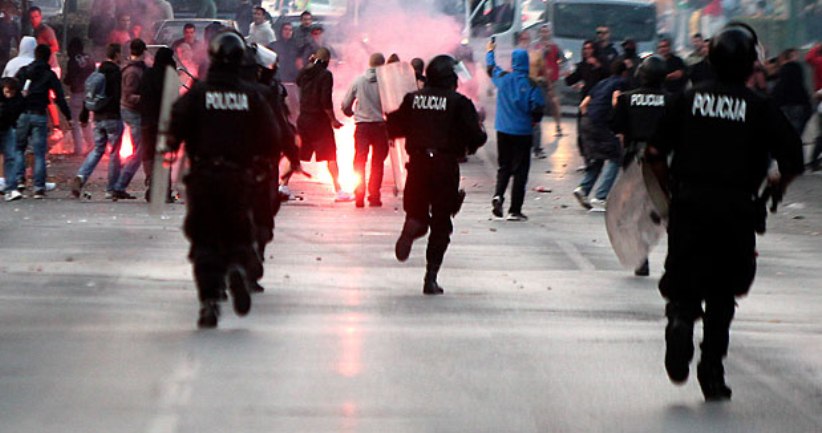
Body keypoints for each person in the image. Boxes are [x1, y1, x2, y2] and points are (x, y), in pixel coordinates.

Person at [647, 24, 804, 401]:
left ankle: (680, 323)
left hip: (688, 207)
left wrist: (668, 194)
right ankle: (712, 370)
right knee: (722, 293)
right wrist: (775, 186)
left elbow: (653, 156)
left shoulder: (685, 100)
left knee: (684, 282)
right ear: (751, 64)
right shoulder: (759, 107)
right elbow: (793, 159)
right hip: (736, 212)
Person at [167, 31, 279, 328]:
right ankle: (236, 270)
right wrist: (261, 164)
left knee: (204, 239)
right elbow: (271, 136)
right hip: (238, 178)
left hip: (203, 177)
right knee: (238, 232)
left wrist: (169, 148)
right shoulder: (252, 96)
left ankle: (209, 302)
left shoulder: (198, 94)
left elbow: (174, 126)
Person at [387, 54, 487, 295]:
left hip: (418, 164)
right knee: (442, 223)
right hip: (444, 165)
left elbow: (394, 126)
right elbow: (476, 137)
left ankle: (412, 225)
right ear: (450, 78)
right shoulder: (459, 102)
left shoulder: (413, 99)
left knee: (417, 214)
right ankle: (430, 278)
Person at [609, 55, 672, 276]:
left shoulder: (627, 99)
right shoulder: (673, 100)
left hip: (635, 160)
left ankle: (641, 258)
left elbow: (615, 125)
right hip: (664, 161)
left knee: (636, 210)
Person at [486, 40, 545, 221]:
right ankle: (515, 210)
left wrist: (490, 51)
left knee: (504, 166)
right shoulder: (532, 85)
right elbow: (538, 108)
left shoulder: (503, 78)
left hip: (503, 130)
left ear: (513, 62)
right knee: (520, 171)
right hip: (522, 132)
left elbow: (490, 68)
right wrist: (534, 122)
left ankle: (498, 196)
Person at [12, 44, 72, 199]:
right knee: (39, 153)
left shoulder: (24, 71)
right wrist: (68, 116)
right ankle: (39, 187)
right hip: (39, 114)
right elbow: (59, 97)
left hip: (23, 114)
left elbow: (13, 89)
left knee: (19, 148)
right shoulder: (49, 75)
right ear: (48, 57)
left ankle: (19, 181)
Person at [296, 47, 352, 201]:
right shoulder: (326, 75)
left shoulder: (306, 72)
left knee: (297, 154)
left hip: (303, 119)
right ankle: (339, 191)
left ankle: (283, 185)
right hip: (319, 121)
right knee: (331, 156)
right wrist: (333, 119)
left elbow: (298, 81)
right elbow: (325, 100)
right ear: (327, 61)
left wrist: (309, 64)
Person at [572, 60, 629, 212]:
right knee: (616, 156)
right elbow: (616, 100)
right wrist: (617, 121)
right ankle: (600, 196)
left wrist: (590, 118)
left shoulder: (602, 83)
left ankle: (583, 189)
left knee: (597, 157)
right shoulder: (622, 82)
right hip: (600, 123)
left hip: (586, 121)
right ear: (624, 72)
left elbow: (583, 105)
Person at [70, 44, 123, 200]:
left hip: (97, 117)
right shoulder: (115, 72)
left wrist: (85, 115)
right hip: (112, 117)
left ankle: (81, 176)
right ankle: (111, 188)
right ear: (117, 55)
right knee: (114, 153)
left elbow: (89, 95)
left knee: (98, 150)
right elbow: (117, 95)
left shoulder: (97, 71)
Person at [341, 52, 389, 208]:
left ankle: (359, 194)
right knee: (377, 162)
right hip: (380, 127)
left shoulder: (359, 80)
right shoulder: (386, 82)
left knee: (360, 161)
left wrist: (351, 113)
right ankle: (374, 196)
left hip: (362, 126)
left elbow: (346, 104)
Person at [111, 38, 148, 199]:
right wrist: (146, 98)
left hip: (132, 111)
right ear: (143, 51)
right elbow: (128, 95)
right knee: (140, 152)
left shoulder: (134, 69)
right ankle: (119, 185)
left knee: (140, 150)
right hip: (132, 112)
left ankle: (118, 185)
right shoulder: (133, 71)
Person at [139, 47, 176, 202]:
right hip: (164, 122)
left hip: (147, 121)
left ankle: (151, 181)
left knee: (148, 154)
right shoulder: (170, 76)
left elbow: (141, 94)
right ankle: (164, 191)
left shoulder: (148, 74)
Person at [63, 38, 95, 155]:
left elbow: (69, 79)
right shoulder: (89, 58)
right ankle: (92, 146)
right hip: (89, 93)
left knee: (75, 122)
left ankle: (79, 149)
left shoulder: (72, 61)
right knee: (87, 120)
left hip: (77, 94)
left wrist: (66, 81)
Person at [1, 78, 24, 201]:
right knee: (10, 157)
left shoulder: (18, 99)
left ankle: (10, 188)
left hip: (7, 127)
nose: (9, 95)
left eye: (12, 93)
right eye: (7, 92)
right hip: (6, 126)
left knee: (10, 157)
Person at [806, 42, 822, 171]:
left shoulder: (818, 62)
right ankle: (814, 159)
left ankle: (814, 159)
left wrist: (817, 46)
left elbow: (808, 58)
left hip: (818, 95)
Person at [0, 9, 19, 73]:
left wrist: (19, 49)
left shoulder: (14, 25)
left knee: (4, 64)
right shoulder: (1, 22)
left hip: (6, 47)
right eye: (6, 12)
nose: (8, 14)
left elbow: (17, 38)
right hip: (2, 46)